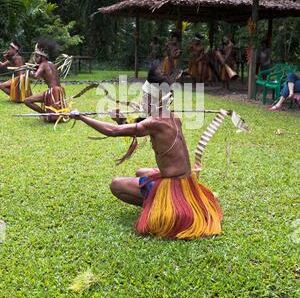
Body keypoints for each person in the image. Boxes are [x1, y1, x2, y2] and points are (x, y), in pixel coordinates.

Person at [70, 65, 222, 240]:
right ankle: (164, 203)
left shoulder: (154, 123)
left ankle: (162, 207)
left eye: (143, 98)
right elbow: (137, 126)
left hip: (174, 186)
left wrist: (80, 116)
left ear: (151, 101)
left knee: (116, 185)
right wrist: (120, 119)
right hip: (187, 181)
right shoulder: (173, 117)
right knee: (141, 172)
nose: (141, 102)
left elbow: (113, 131)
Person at [24, 39, 68, 122]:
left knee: (27, 101)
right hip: (60, 91)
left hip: (52, 92)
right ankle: (52, 115)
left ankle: (44, 114)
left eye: (37, 56)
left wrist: (29, 72)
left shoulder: (43, 64)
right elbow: (49, 75)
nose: (36, 59)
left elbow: (36, 76)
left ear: (42, 56)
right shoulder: (52, 64)